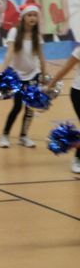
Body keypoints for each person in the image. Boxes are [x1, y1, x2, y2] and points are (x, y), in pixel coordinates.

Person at [0, 4, 47, 149]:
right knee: (17, 106)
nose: (32, 18)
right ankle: (5, 135)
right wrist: (3, 73)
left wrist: (44, 74)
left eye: (35, 15)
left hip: (33, 74)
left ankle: (24, 136)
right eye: (29, 15)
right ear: (23, 17)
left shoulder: (37, 36)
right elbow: (9, 53)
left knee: (30, 108)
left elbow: (41, 56)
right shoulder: (14, 31)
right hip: (17, 75)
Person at [46, 45, 80, 173]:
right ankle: (77, 159)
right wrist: (50, 85)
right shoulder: (79, 50)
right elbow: (65, 69)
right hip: (78, 93)